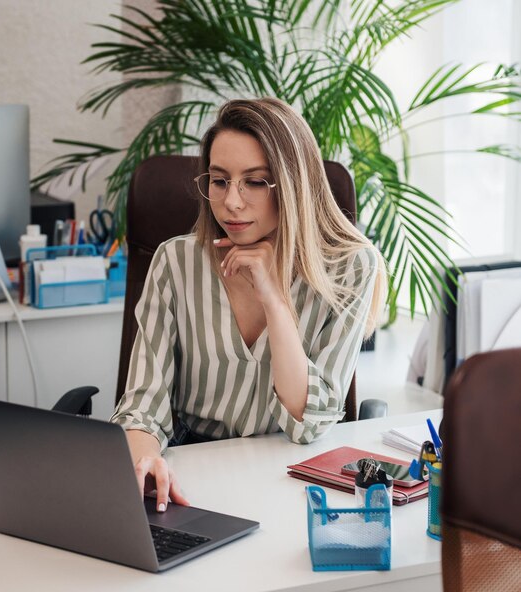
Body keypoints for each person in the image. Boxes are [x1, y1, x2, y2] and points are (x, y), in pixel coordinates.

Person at [110, 97, 387, 512]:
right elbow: (142, 409)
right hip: (193, 474)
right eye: (220, 181)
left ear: (293, 184)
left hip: (294, 479)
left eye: (255, 182)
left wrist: (275, 300)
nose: (232, 202)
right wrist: (145, 461)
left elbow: (308, 421)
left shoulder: (350, 268)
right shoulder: (177, 261)